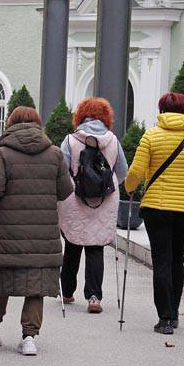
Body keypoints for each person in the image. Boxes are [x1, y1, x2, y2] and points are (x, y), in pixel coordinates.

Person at [0, 107, 74, 356]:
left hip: (6, 231)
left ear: (11, 123)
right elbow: (65, 190)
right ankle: (29, 337)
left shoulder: (4, 154)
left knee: (2, 278)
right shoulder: (54, 154)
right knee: (36, 283)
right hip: (42, 232)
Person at [124, 93, 184, 335]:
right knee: (177, 258)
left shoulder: (151, 136)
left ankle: (165, 317)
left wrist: (129, 188)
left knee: (162, 260)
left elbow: (137, 171)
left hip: (156, 208)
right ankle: (175, 309)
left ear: (161, 110)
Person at [58, 97, 128, 314]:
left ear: (80, 115)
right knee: (96, 246)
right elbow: (122, 171)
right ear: (106, 117)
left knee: (73, 241)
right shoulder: (113, 140)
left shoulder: (70, 140)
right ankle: (94, 297)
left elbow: (61, 170)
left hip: (74, 198)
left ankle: (67, 291)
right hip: (104, 201)